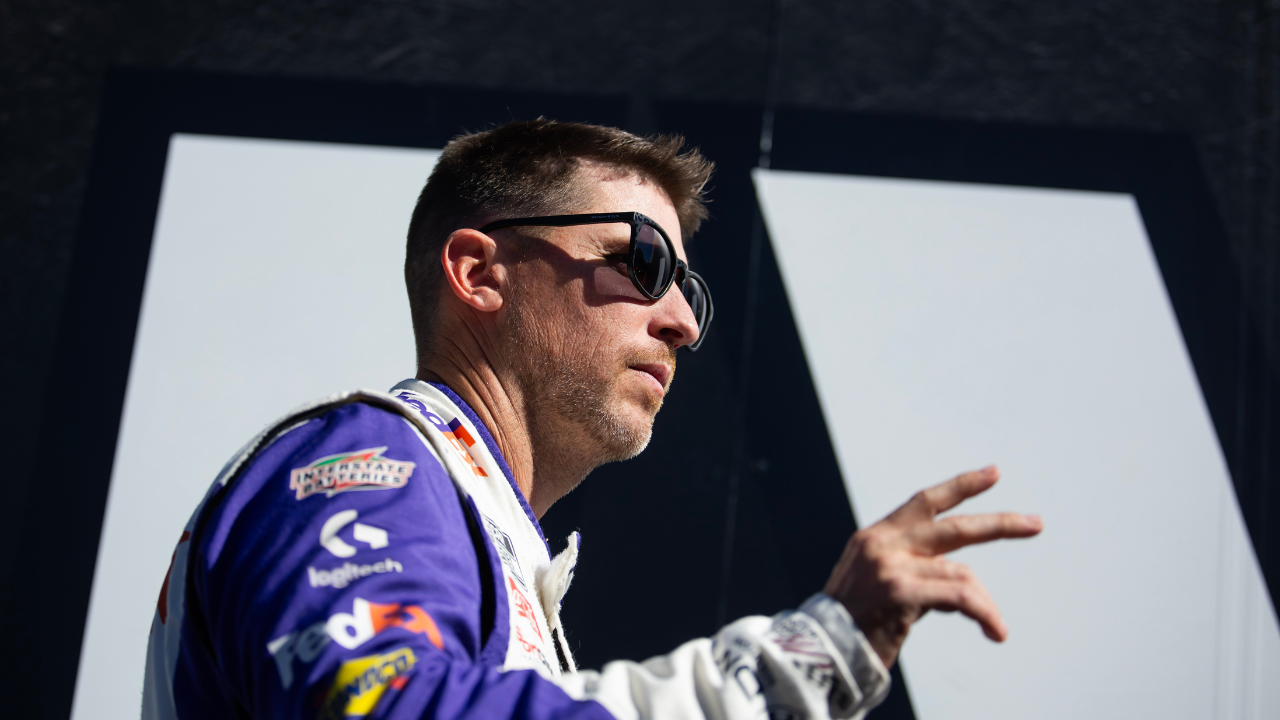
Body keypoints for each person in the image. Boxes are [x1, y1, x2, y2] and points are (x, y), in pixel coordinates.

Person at [142, 119, 1042, 720]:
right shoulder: (374, 457)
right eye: (640, 260)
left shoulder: (478, 525)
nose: (684, 322)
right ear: (479, 272)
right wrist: (799, 663)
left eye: (689, 289)